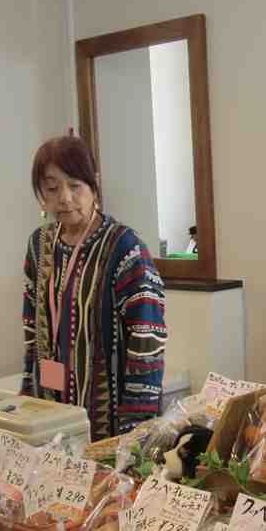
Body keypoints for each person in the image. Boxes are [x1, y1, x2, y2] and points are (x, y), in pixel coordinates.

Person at [21, 135, 166, 438]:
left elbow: (147, 339)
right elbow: (32, 327)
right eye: (52, 188)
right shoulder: (40, 245)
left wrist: (137, 426)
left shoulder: (124, 247)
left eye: (75, 186)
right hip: (50, 408)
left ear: (93, 185)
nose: (64, 198)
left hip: (111, 417)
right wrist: (28, 393)